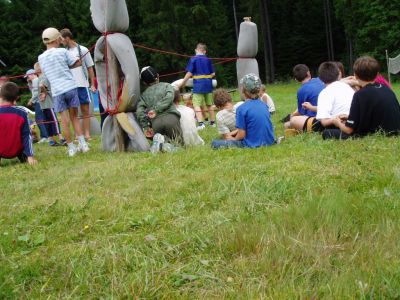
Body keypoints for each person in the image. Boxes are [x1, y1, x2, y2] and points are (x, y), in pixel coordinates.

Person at [38, 27, 90, 157]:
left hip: (57, 91)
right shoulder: (62, 51)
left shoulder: (41, 57)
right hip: (71, 87)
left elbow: (45, 75)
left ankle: (71, 148)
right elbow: (77, 63)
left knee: (64, 121)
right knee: (75, 117)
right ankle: (83, 144)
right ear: (57, 39)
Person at [324, 56, 400, 139]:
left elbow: (348, 130)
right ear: (377, 74)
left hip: (377, 133)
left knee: (327, 132)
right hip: (396, 130)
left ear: (355, 75)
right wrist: (349, 117)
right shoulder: (386, 88)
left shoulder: (359, 95)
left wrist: (337, 122)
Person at [211, 74, 275, 149]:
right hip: (269, 141)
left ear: (243, 90)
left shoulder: (242, 109)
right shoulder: (264, 105)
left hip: (253, 144)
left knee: (215, 143)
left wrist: (233, 139)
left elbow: (241, 135)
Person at [290, 61, 355, 133]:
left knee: (293, 120)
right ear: (338, 74)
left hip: (336, 123)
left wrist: (334, 120)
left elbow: (324, 122)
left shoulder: (324, 93)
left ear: (320, 78)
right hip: (352, 121)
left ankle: (295, 128)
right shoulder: (347, 87)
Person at [60, 28, 96, 140]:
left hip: (83, 84)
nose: (61, 42)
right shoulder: (64, 53)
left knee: (85, 110)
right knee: (73, 111)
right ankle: (77, 134)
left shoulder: (83, 49)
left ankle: (87, 134)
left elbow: (90, 68)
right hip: (71, 86)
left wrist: (92, 84)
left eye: (61, 40)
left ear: (67, 38)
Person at [136, 66, 182, 144]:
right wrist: (156, 109)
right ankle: (165, 141)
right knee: (179, 143)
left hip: (156, 124)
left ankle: (162, 140)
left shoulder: (143, 95)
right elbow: (169, 97)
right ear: (158, 75)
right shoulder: (167, 85)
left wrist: (146, 127)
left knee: (164, 143)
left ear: (144, 82)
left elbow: (139, 111)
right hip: (171, 119)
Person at [179, 43, 216, 129]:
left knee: (196, 104)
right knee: (209, 104)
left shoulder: (193, 59)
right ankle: (213, 123)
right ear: (205, 51)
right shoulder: (208, 59)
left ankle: (201, 124)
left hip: (198, 85)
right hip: (208, 84)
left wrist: (183, 82)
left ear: (196, 50)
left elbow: (189, 73)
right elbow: (213, 73)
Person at [0, 82, 37, 165]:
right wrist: (30, 157)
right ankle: (26, 157)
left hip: (1, 150)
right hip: (17, 151)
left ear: (1, 96)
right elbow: (27, 136)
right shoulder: (22, 112)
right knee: (25, 135)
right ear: (16, 98)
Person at [34, 62, 66, 146]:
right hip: (49, 104)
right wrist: (44, 93)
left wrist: (42, 93)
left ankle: (51, 140)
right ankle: (61, 138)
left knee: (47, 122)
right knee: (54, 121)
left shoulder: (39, 78)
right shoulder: (44, 77)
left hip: (43, 105)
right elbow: (42, 86)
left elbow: (41, 86)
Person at [284, 64, 324, 130]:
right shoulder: (320, 80)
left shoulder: (301, 91)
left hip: (315, 119)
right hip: (330, 114)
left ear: (296, 79)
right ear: (308, 73)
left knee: (288, 124)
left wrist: (292, 116)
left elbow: (301, 112)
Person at [26, 69, 49, 143]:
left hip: (38, 102)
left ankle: (45, 136)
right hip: (39, 102)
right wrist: (29, 83)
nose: (27, 78)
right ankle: (46, 135)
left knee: (39, 119)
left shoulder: (35, 80)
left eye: (28, 76)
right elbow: (34, 91)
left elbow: (36, 93)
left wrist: (31, 100)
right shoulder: (34, 81)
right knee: (40, 119)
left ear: (32, 74)